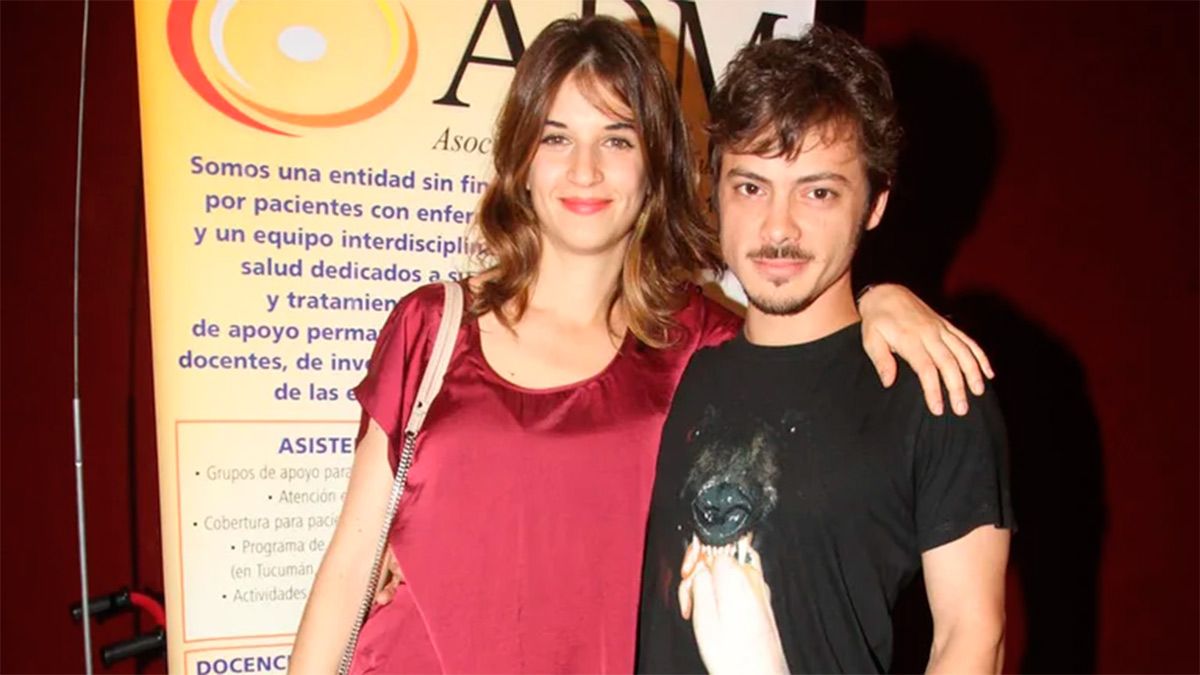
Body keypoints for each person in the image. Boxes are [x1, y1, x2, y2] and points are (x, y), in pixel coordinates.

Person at [290, 16, 993, 674]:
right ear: (520, 159)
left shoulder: (696, 346)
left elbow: (799, 337)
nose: (585, 170)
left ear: (655, 165)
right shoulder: (433, 327)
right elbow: (350, 565)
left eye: (617, 140)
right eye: (556, 138)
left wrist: (880, 300)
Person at [637, 25, 1014, 675]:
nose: (777, 226)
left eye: (818, 191)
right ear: (714, 190)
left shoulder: (932, 384)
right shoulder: (678, 366)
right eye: (751, 186)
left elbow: (972, 637)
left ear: (874, 203)